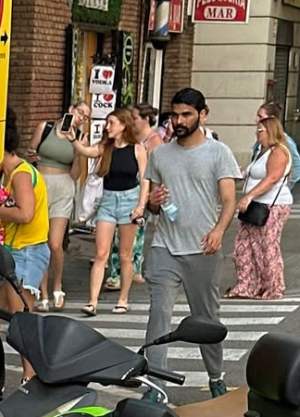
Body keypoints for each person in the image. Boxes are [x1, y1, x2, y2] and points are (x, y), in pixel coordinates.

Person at [143, 88, 240, 398]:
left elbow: (228, 200)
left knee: (206, 318)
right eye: (175, 115)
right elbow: (153, 204)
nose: (179, 121)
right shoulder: (160, 154)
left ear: (203, 115)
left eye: (186, 114)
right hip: (165, 247)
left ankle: (216, 377)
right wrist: (153, 202)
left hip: (203, 248)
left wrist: (218, 231)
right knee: (159, 315)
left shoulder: (218, 152)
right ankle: (154, 385)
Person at [65, 109, 148, 316]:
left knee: (125, 255)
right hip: (108, 201)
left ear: (123, 125)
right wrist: (72, 138)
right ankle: (92, 301)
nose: (107, 126)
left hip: (129, 200)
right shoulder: (105, 148)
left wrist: (140, 205)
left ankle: (123, 299)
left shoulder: (137, 149)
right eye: (107, 122)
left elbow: (145, 179)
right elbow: (87, 152)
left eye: (112, 122)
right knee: (101, 253)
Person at [0, 108, 50, 335]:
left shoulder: (21, 174)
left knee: (20, 321)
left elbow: (25, 213)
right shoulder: (9, 174)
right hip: (12, 251)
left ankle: (30, 361)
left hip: (26, 251)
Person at [27, 101, 90, 311]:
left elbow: (75, 175)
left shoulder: (79, 138)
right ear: (71, 109)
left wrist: (79, 151)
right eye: (80, 112)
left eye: (86, 117)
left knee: (55, 243)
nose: (81, 118)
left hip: (63, 187)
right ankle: (43, 293)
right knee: (40, 240)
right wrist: (31, 154)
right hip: (40, 183)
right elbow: (30, 152)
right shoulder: (45, 127)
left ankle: (57, 285)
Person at [226, 113, 293, 300]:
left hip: (271, 205)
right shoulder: (260, 152)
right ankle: (247, 285)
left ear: (270, 131)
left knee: (267, 246)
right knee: (244, 245)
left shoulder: (278, 152)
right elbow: (250, 173)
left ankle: (273, 287)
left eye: (260, 130)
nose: (257, 133)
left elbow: (272, 178)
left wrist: (249, 196)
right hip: (255, 206)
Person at [104, 103, 160, 290]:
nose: (132, 121)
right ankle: (122, 272)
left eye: (135, 118)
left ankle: (129, 272)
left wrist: (149, 196)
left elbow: (154, 171)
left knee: (134, 237)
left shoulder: (154, 141)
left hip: (139, 193)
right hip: (124, 190)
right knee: (119, 237)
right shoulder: (133, 139)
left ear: (146, 119)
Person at [251, 102, 300, 190]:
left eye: (260, 117)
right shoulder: (261, 139)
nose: (256, 120)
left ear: (272, 119)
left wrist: (285, 186)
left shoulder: (285, 140)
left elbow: (297, 166)